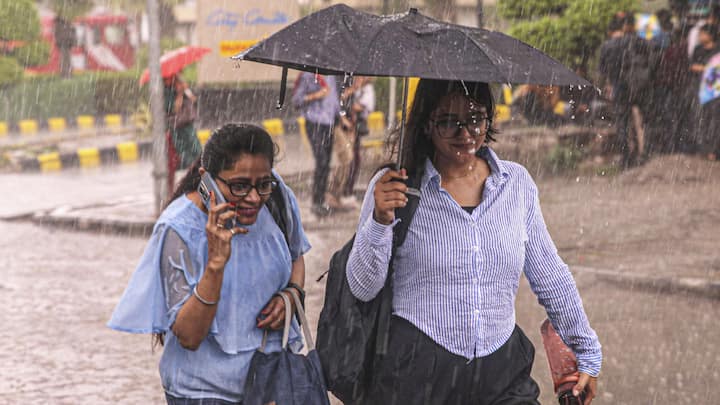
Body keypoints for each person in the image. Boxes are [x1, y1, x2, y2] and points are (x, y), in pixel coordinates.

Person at [345, 79, 602, 404]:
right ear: (426, 124)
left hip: (501, 371)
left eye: (475, 118)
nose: (465, 133)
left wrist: (586, 351)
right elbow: (362, 287)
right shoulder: (395, 189)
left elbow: (551, 277)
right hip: (417, 372)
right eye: (448, 121)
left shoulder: (516, 184)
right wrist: (379, 222)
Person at [108, 123, 311, 404]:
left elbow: (296, 254)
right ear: (207, 179)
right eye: (239, 186)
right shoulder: (178, 230)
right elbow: (189, 336)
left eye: (262, 184)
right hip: (204, 394)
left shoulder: (277, 198)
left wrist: (292, 292)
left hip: (272, 384)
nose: (253, 198)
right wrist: (216, 263)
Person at [292, 72, 340, 217]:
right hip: (314, 122)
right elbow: (297, 100)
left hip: (329, 123)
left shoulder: (331, 75)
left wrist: (341, 119)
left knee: (326, 163)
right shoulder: (308, 74)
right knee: (321, 160)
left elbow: (334, 100)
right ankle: (316, 201)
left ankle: (321, 199)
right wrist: (316, 95)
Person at [164, 73, 202, 196]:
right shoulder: (165, 92)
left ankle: (196, 184)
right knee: (185, 159)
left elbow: (193, 99)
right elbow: (174, 109)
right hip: (178, 129)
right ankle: (188, 187)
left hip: (187, 127)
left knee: (197, 155)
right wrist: (179, 94)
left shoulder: (178, 85)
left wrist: (185, 89)